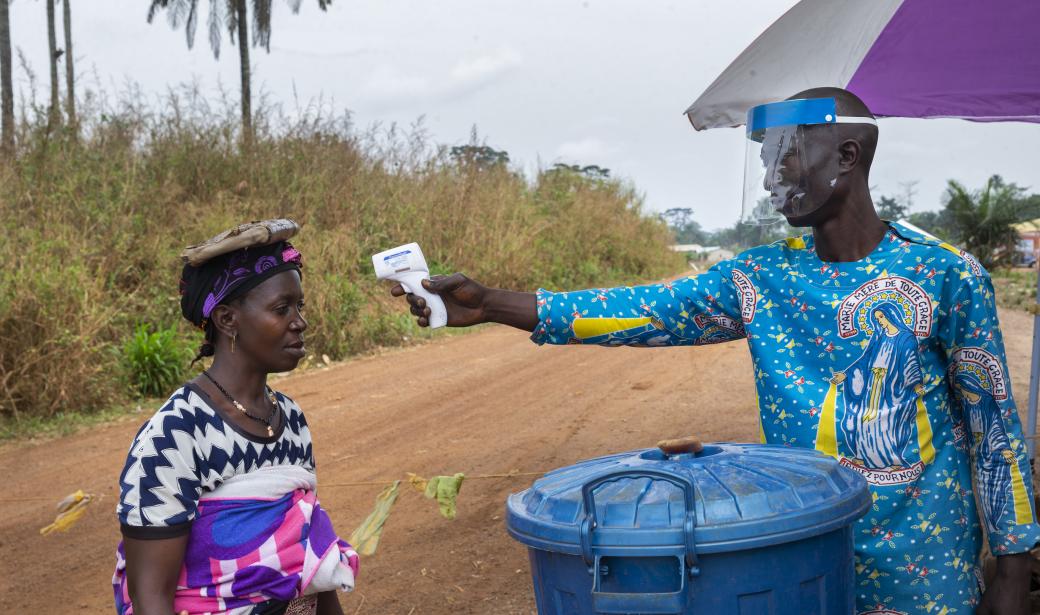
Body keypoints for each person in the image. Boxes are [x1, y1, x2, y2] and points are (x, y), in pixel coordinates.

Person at [391, 88, 1040, 614]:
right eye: (765, 162)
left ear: (846, 155)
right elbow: (644, 310)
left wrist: (1013, 570)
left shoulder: (946, 275)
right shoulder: (759, 278)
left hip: (924, 574)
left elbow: (997, 434)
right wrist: (491, 304)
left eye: (785, 155)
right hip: (799, 558)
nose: (770, 179)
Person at [113, 221, 358, 615]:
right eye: (282, 309)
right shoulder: (175, 435)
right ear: (228, 320)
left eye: (300, 306)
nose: (300, 322)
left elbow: (306, 558)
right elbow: (151, 599)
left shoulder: (289, 418)